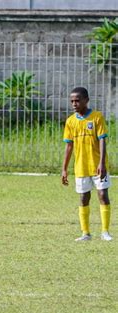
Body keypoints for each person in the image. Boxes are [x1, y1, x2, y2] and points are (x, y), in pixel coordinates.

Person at [61, 87, 112, 241]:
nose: (74, 104)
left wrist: (102, 163)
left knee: (103, 194)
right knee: (84, 198)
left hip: (98, 166)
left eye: (77, 100)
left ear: (86, 100)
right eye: (72, 101)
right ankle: (85, 233)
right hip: (81, 167)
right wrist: (64, 169)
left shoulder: (97, 117)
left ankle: (105, 232)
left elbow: (102, 140)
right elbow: (69, 146)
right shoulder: (71, 121)